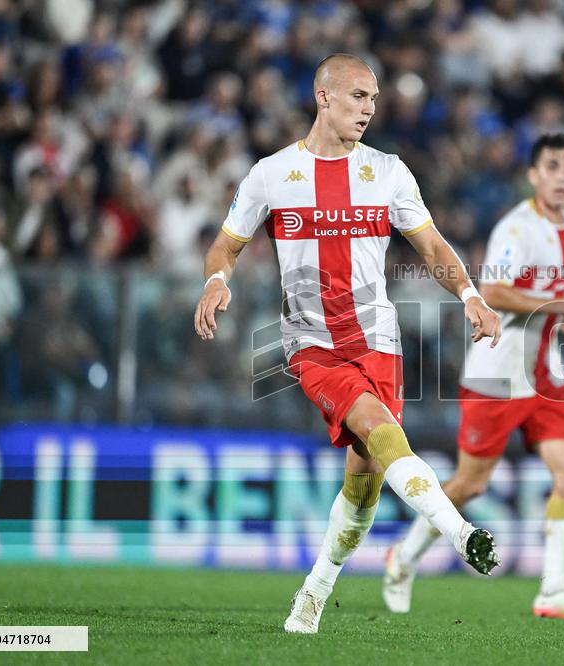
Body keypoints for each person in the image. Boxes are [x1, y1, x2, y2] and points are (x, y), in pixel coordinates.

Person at [192, 53, 502, 634]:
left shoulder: (388, 171)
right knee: (385, 433)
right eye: (359, 96)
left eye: (375, 99)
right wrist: (215, 282)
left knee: (363, 490)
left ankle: (313, 593)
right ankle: (460, 532)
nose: (369, 109)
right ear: (323, 97)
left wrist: (471, 297)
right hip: (313, 346)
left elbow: (432, 248)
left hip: (378, 341)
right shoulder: (272, 173)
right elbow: (225, 246)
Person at [383, 133, 564, 620]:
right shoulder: (516, 228)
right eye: (552, 166)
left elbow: (547, 304)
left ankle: (553, 591)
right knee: (469, 484)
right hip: (496, 376)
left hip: (544, 375)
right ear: (533, 174)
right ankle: (403, 559)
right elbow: (494, 291)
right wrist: (561, 307)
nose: (562, 176)